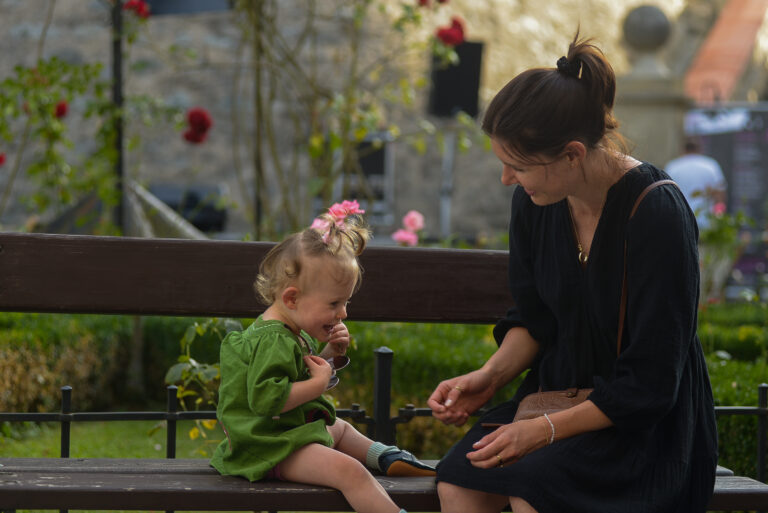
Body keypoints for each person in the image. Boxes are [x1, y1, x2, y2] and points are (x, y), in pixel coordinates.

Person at [427, 33, 717, 513]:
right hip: (554, 399)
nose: (507, 179)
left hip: (641, 427)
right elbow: (535, 318)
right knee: (459, 482)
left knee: (532, 490)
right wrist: (490, 377)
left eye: (518, 166)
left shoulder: (656, 212)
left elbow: (651, 383)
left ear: (573, 154)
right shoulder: (534, 201)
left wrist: (542, 432)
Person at [211, 201, 435, 513]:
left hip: (282, 434)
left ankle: (385, 456)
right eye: (334, 303)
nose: (343, 313)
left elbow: (298, 376)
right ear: (292, 298)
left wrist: (330, 355)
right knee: (350, 472)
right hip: (268, 447)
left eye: (345, 302)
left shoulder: (289, 330)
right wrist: (318, 384)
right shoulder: (274, 340)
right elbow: (266, 399)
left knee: (339, 428)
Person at [665, 138, 727, 229]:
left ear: (683, 149)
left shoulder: (672, 167)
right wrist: (719, 217)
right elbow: (719, 196)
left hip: (679, 221)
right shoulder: (711, 166)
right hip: (705, 223)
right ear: (699, 149)